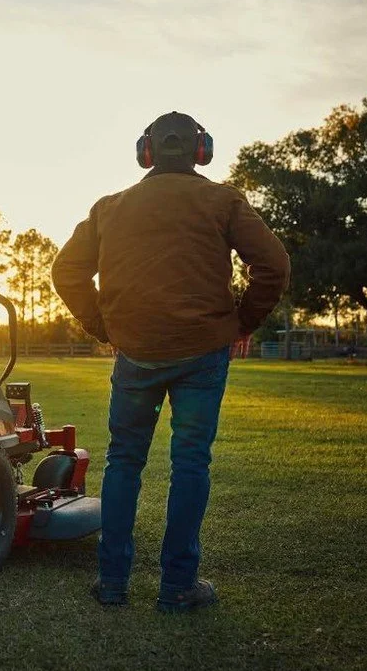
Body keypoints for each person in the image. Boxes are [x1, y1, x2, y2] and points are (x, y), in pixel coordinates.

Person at [51, 111, 290, 612]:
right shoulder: (223, 201)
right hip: (203, 353)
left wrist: (104, 328)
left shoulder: (109, 208)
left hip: (136, 353)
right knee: (190, 464)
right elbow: (273, 265)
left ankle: (113, 583)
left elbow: (66, 271)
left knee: (124, 462)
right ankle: (177, 586)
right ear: (201, 150)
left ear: (147, 152)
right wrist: (242, 321)